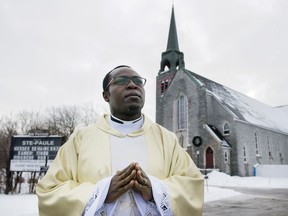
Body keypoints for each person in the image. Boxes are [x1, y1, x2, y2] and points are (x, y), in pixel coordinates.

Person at [36, 65, 204, 216]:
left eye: (138, 81)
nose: (132, 85)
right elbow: (50, 191)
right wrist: (101, 192)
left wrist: (154, 190)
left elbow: (192, 186)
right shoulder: (80, 140)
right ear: (105, 95)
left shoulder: (167, 139)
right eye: (121, 80)